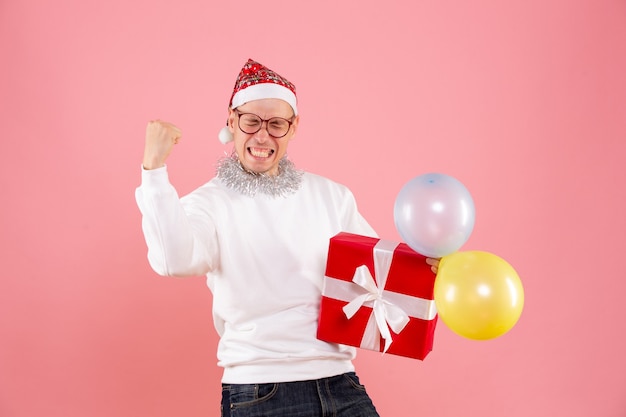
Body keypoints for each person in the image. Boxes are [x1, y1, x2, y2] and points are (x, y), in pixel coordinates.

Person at [137, 59, 431, 416]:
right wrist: (154, 172)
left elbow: (377, 278)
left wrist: (423, 267)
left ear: (294, 128)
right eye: (251, 122)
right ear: (231, 121)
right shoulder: (208, 203)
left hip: (340, 382)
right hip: (260, 391)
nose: (262, 136)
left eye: (276, 124)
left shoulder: (331, 196)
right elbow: (173, 260)